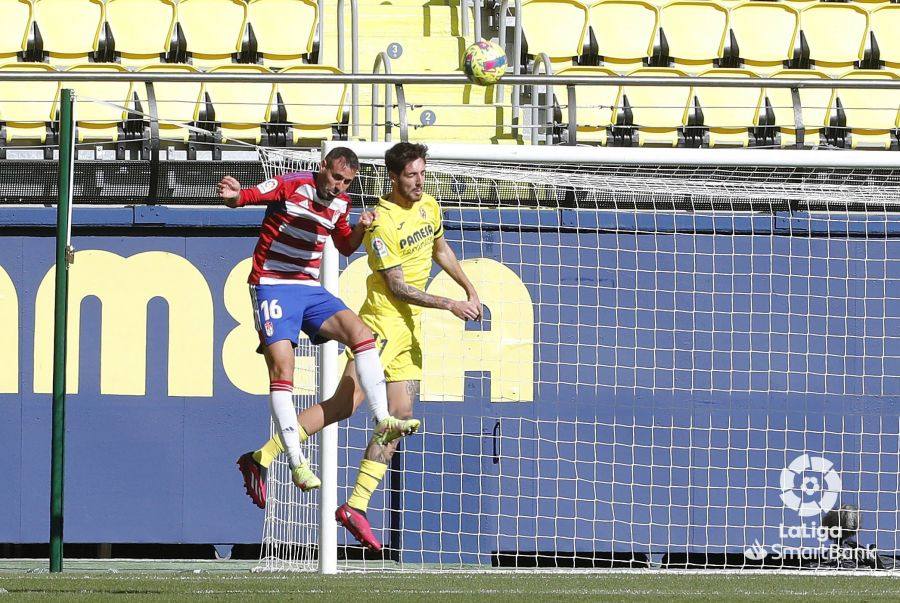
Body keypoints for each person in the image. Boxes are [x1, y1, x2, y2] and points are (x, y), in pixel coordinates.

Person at [238, 142, 482, 552]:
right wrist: (451, 303)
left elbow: (441, 249)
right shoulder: (382, 221)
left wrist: (469, 287)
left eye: (423, 173)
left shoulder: (430, 206)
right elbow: (399, 287)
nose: (419, 181)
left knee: (401, 414)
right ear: (393, 178)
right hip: (383, 322)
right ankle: (263, 456)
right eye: (411, 175)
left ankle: (356, 506)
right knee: (343, 406)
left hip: (411, 329)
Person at [218, 146, 421, 497]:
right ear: (322, 167)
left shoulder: (342, 203)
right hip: (271, 285)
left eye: (347, 182)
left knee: (361, 333)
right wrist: (234, 197)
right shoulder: (290, 185)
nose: (339, 187)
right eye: (336, 178)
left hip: (308, 288)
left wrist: (359, 228)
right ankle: (296, 462)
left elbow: (343, 245)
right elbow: (246, 197)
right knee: (284, 369)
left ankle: (382, 418)